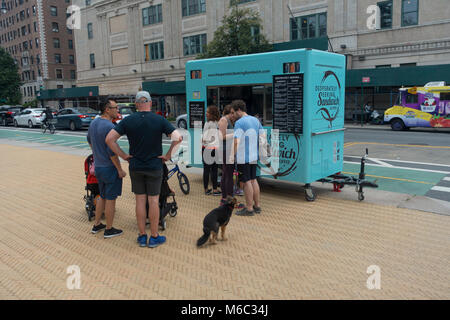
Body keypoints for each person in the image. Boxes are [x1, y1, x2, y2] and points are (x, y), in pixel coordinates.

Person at [105, 91, 182, 248]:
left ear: (136, 104)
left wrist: (124, 155)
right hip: (154, 166)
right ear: (150, 103)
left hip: (136, 166)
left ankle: (141, 235)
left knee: (140, 200)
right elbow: (178, 137)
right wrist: (167, 155)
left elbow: (109, 139)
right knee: (153, 200)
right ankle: (154, 236)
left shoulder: (128, 121)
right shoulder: (159, 120)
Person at [87, 97, 125, 238]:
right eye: (115, 107)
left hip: (98, 167)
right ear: (107, 109)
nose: (117, 110)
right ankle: (109, 229)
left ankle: (97, 224)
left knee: (101, 196)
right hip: (110, 168)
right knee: (110, 199)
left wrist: (97, 154)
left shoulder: (94, 123)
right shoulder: (110, 127)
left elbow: (89, 140)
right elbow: (112, 153)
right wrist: (120, 170)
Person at [232, 100, 264, 216]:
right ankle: (257, 205)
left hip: (243, 157)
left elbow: (236, 141)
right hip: (254, 155)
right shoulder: (255, 120)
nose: (233, 115)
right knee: (253, 180)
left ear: (239, 110)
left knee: (246, 182)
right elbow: (263, 135)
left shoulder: (239, 123)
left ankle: (249, 208)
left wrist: (232, 155)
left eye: (234, 112)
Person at [218, 105, 236, 205]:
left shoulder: (228, 121)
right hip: (226, 150)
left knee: (226, 174)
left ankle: (225, 198)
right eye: (232, 113)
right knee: (228, 174)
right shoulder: (224, 120)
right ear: (229, 112)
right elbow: (222, 137)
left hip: (227, 150)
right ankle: (227, 198)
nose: (234, 115)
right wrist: (235, 133)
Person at [202, 105, 221, 196]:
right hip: (216, 149)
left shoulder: (208, 123)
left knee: (206, 170)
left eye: (207, 112)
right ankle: (215, 189)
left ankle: (206, 189)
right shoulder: (219, 123)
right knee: (215, 169)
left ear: (212, 114)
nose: (206, 113)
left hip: (207, 149)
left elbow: (204, 138)